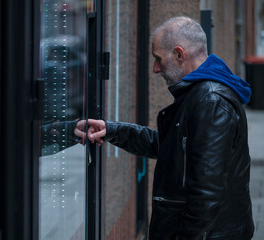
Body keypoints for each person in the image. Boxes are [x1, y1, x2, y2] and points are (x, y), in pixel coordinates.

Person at [82, 16, 255, 240]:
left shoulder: (210, 102)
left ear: (179, 54)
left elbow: (207, 195)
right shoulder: (200, 93)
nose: (155, 68)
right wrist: (112, 130)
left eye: (158, 59)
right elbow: (169, 145)